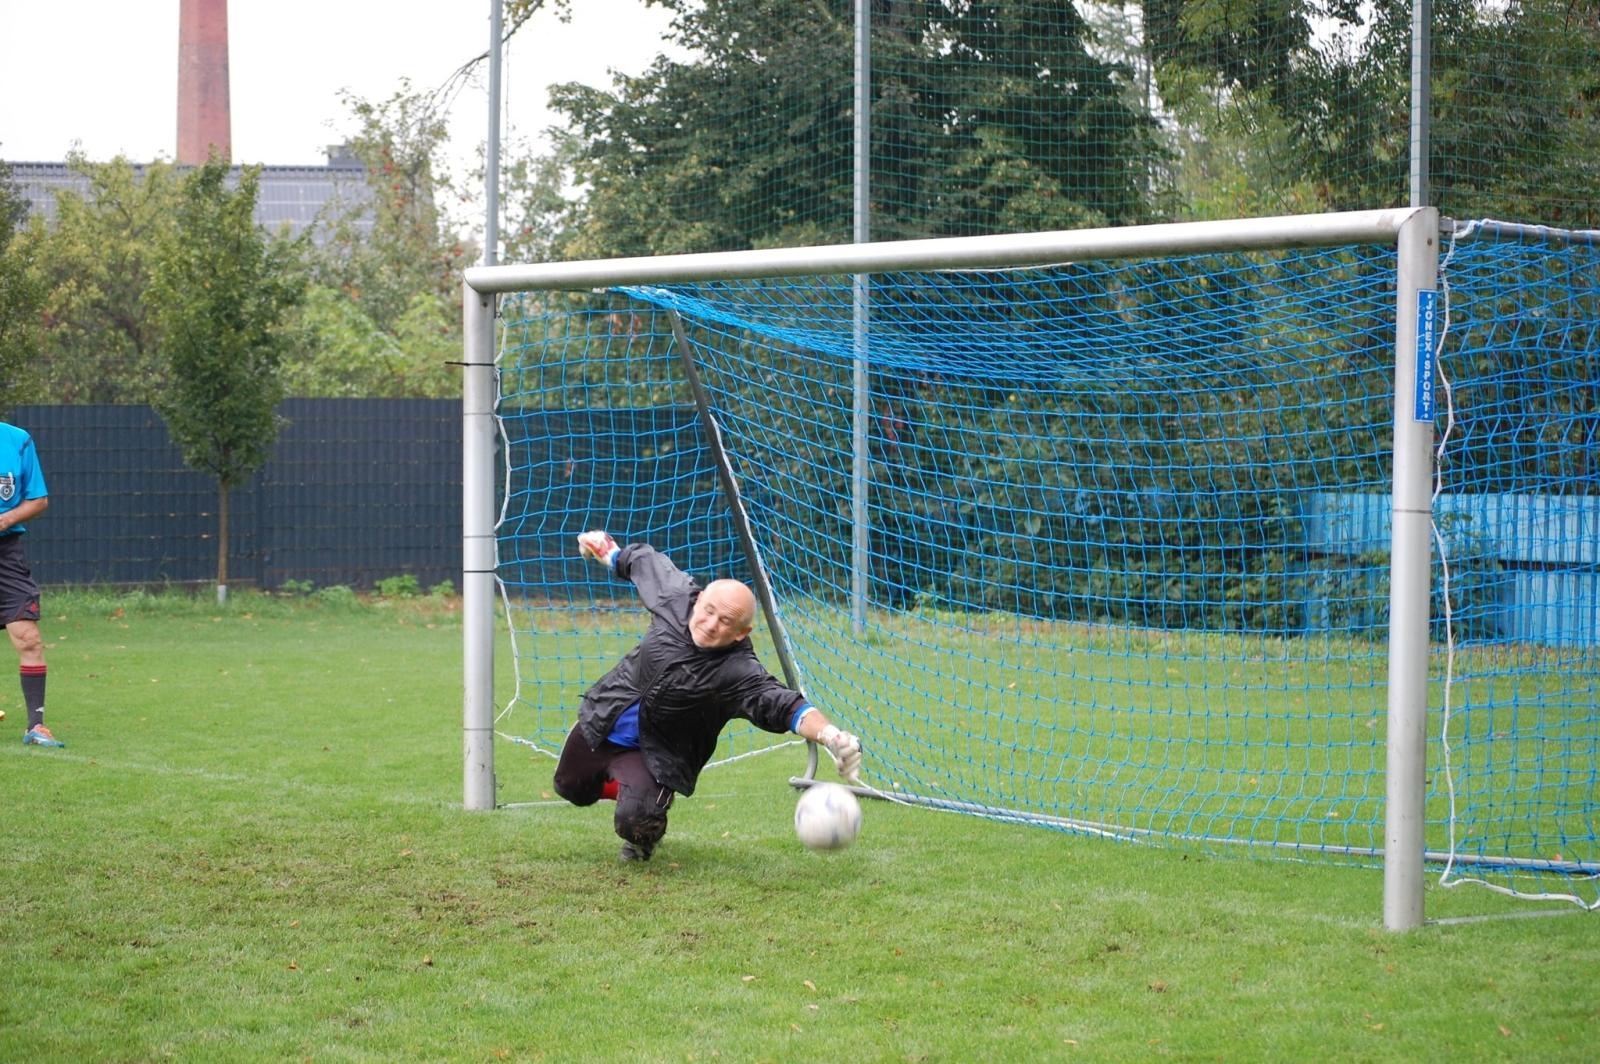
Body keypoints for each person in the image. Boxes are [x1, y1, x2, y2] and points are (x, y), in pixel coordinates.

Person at [554, 530, 863, 861]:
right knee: (570, 788)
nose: (711, 623)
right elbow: (643, 561)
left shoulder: (739, 672)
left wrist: (831, 735)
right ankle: (630, 787)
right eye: (709, 609)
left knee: (637, 821)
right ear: (698, 599)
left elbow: (785, 706)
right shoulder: (675, 596)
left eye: (726, 620)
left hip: (656, 754)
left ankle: (646, 807)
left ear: (741, 633)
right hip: (605, 718)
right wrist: (608, 550)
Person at [0, 420, 61, 748]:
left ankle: (36, 726)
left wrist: (5, 519)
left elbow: (38, 500)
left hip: (6, 554)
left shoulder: (17, 440)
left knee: (29, 639)